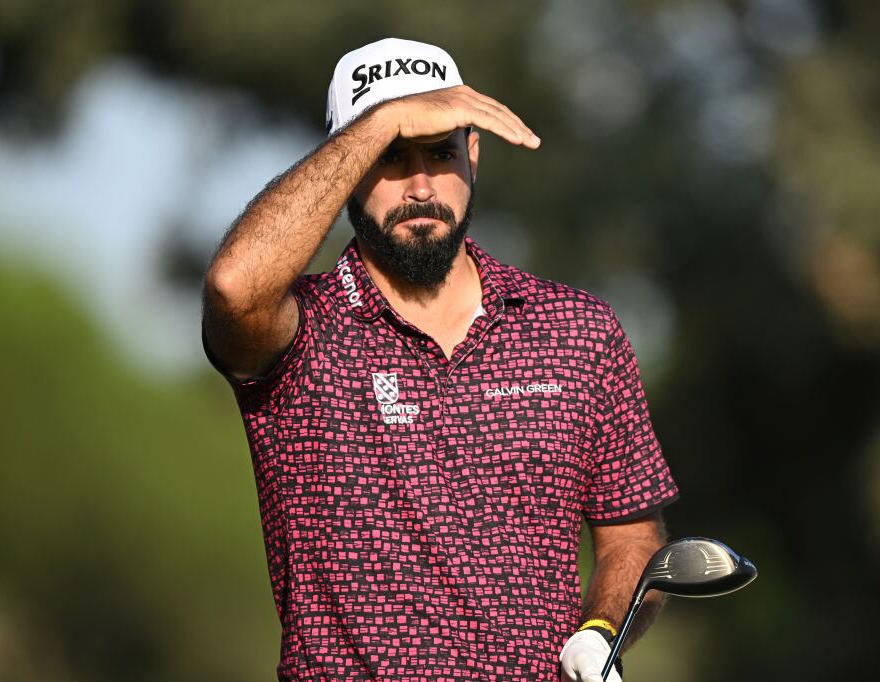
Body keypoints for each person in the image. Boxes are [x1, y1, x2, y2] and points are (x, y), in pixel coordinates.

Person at [201, 37, 679, 681]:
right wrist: (383, 120)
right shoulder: (302, 332)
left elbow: (632, 537)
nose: (421, 186)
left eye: (441, 152)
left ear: (473, 153)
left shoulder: (577, 331)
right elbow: (232, 287)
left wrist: (598, 637)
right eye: (390, 156)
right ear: (345, 164)